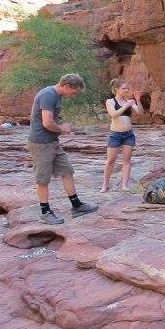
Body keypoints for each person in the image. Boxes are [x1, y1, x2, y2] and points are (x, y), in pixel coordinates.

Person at [27, 74, 98, 224]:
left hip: (52, 142)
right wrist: (62, 129)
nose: (73, 95)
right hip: (41, 144)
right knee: (43, 179)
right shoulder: (48, 95)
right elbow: (47, 122)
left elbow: (49, 120)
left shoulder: (56, 95)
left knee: (67, 171)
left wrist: (60, 128)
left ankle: (77, 206)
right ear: (66, 86)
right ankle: (45, 212)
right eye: (74, 92)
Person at [101, 78, 143, 192]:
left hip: (128, 135)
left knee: (127, 160)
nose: (126, 90)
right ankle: (105, 184)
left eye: (127, 88)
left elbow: (140, 112)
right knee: (111, 160)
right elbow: (113, 114)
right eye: (124, 88)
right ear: (116, 89)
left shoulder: (129, 101)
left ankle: (124, 185)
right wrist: (126, 105)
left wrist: (137, 101)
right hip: (115, 135)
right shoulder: (110, 101)